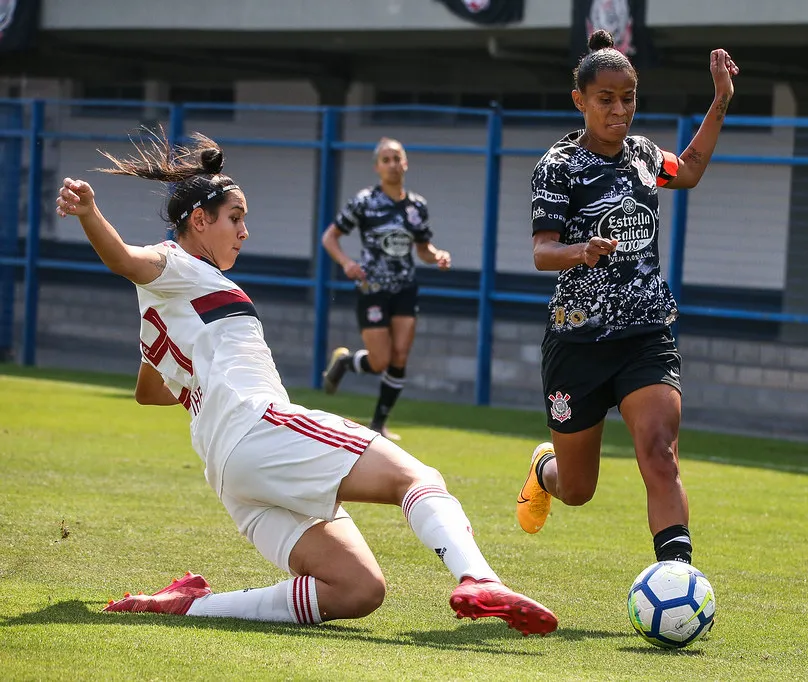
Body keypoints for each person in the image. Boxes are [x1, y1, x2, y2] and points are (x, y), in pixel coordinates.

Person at [54, 132, 556, 636]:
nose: (244, 231)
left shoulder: (164, 305)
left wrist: (200, 379)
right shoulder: (174, 261)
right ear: (199, 221)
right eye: (236, 217)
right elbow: (122, 259)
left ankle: (186, 606)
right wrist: (90, 213)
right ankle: (479, 578)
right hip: (258, 428)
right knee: (417, 477)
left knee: (357, 589)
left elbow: (149, 391)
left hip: (230, 472)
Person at [517, 30, 740, 569]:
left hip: (646, 334)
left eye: (629, 97)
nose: (620, 110)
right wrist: (580, 250)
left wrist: (720, 102)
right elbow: (543, 253)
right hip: (579, 342)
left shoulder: (642, 154)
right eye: (606, 99)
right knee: (577, 489)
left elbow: (686, 170)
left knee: (660, 454)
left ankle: (677, 582)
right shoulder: (558, 167)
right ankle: (544, 469)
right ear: (580, 100)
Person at [320, 138, 451, 442]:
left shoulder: (417, 206)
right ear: (378, 167)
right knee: (379, 361)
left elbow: (423, 248)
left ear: (405, 163)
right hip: (373, 289)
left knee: (400, 356)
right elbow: (330, 237)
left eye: (397, 158)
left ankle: (378, 424)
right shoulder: (364, 201)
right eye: (386, 159)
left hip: (405, 287)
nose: (393, 164)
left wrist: (437, 255)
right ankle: (345, 362)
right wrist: (346, 263)